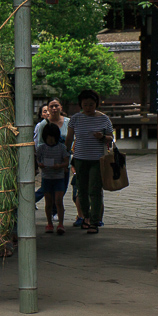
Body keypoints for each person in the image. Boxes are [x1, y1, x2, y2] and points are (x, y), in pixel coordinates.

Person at [66, 89, 113, 234]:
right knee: (82, 189)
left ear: (96, 104)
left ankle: (94, 221)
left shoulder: (104, 119)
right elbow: (69, 138)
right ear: (80, 104)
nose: (88, 108)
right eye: (85, 105)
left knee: (95, 190)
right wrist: (66, 153)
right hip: (80, 158)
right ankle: (85, 217)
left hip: (97, 159)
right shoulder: (75, 118)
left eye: (91, 105)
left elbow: (111, 138)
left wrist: (102, 137)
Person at [34, 97, 71, 211]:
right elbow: (39, 143)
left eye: (56, 106)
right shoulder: (43, 124)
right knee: (48, 188)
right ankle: (54, 210)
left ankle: (56, 209)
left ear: (61, 107)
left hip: (64, 160)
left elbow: (73, 140)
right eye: (51, 106)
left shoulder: (68, 122)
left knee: (62, 187)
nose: (54, 108)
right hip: (48, 161)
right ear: (48, 109)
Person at [36, 124, 70, 235]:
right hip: (46, 178)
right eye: (48, 137)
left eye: (52, 137)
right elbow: (37, 160)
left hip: (58, 178)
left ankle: (61, 223)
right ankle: (49, 223)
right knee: (48, 202)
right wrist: (40, 165)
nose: (50, 140)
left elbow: (66, 161)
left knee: (59, 201)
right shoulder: (41, 148)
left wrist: (59, 166)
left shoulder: (61, 147)